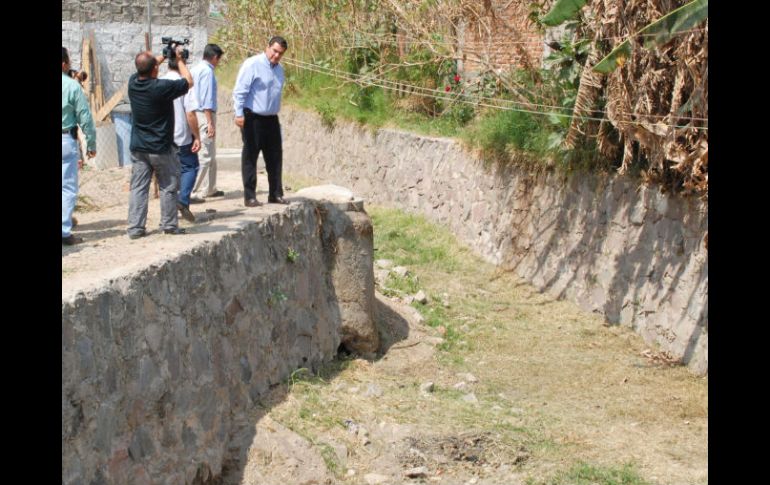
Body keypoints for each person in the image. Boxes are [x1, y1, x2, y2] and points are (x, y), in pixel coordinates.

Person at [126, 46, 193, 239]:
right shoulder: (161, 87)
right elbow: (189, 81)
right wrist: (178, 59)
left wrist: (163, 56)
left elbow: (146, 67)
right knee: (168, 185)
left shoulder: (133, 83)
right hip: (161, 147)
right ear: (155, 69)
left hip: (139, 147)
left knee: (138, 187)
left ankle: (135, 228)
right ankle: (169, 225)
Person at [232, 36, 289, 207]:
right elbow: (240, 91)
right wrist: (239, 113)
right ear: (268, 47)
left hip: (271, 118)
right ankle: (250, 196)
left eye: (280, 53)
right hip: (252, 117)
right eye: (275, 51)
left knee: (275, 157)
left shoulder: (280, 70)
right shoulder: (252, 64)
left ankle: (275, 194)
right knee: (250, 156)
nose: (276, 55)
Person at [62, 46, 96, 245]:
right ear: (64, 64)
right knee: (67, 188)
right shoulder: (72, 87)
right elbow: (85, 118)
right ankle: (64, 232)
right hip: (65, 139)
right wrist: (90, 144)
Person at [161, 57, 202, 223]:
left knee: (167, 176)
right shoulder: (185, 84)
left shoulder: (158, 81)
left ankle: (168, 214)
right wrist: (197, 136)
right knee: (190, 167)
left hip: (162, 136)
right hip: (181, 135)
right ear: (182, 62)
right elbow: (190, 114)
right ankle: (183, 200)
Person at [190, 43, 224, 203]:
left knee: (211, 154)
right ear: (215, 57)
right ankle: (191, 191)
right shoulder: (207, 72)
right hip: (204, 115)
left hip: (195, 114)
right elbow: (207, 100)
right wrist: (210, 122)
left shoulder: (195, 69)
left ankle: (210, 188)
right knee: (206, 156)